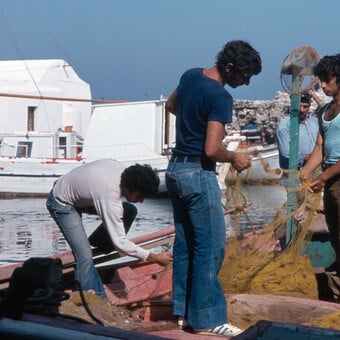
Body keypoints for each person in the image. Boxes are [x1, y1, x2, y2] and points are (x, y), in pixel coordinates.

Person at [164, 40, 261, 337]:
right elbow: (211, 149)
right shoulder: (220, 97)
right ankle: (208, 319)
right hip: (197, 173)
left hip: (175, 170)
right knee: (211, 247)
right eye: (244, 76)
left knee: (185, 245)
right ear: (229, 67)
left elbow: (171, 106)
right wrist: (235, 157)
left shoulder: (191, 75)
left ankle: (182, 312)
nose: (245, 82)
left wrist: (191, 125)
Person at [46, 159, 172, 299]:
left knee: (129, 210)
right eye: (140, 196)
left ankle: (101, 242)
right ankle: (92, 300)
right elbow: (120, 243)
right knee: (85, 256)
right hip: (61, 202)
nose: (142, 201)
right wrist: (154, 257)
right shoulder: (109, 195)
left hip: (81, 195)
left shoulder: (123, 174)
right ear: (130, 189)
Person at [300, 54, 340, 307]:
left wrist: (323, 177)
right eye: (321, 81)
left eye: (327, 81)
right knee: (337, 240)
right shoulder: (325, 110)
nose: (323, 86)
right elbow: (320, 147)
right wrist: (305, 173)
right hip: (330, 177)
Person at [276, 93, 319, 170]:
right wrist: (312, 158)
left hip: (316, 172)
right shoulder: (284, 125)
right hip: (295, 174)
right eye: (299, 106)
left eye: (305, 107)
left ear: (309, 106)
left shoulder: (316, 122)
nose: (301, 110)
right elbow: (286, 153)